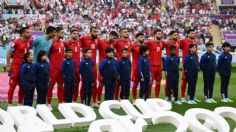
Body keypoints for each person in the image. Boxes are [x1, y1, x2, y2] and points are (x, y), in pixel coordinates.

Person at [6, 27, 32, 106]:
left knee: (22, 86)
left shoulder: (28, 42)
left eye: (29, 32)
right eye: (27, 32)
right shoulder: (16, 41)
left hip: (24, 67)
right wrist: (8, 65)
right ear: (22, 33)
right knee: (12, 86)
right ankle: (9, 104)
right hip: (15, 67)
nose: (29, 33)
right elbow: (9, 53)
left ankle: (19, 104)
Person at [80, 26, 100, 106]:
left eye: (97, 32)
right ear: (90, 32)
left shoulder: (97, 40)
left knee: (94, 83)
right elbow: (76, 45)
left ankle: (94, 101)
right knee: (84, 85)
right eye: (94, 32)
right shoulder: (84, 39)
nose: (96, 33)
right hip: (85, 66)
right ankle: (82, 101)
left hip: (93, 66)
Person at [97, 31, 119, 104]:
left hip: (110, 69)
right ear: (110, 35)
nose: (114, 40)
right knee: (101, 84)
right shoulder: (101, 42)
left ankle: (110, 101)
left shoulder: (112, 45)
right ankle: (98, 101)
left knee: (111, 86)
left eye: (116, 39)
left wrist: (115, 54)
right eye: (114, 38)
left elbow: (115, 55)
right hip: (103, 68)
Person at [47, 27, 65, 110]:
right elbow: (46, 53)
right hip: (53, 69)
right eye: (61, 33)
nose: (62, 34)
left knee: (61, 86)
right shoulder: (51, 42)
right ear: (56, 33)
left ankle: (61, 103)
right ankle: (49, 104)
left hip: (61, 69)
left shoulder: (62, 43)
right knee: (50, 86)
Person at [180, 29, 199, 103]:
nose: (193, 34)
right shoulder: (183, 41)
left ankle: (191, 96)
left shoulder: (194, 42)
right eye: (191, 33)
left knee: (193, 82)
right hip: (187, 64)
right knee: (184, 81)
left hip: (193, 64)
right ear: (187, 34)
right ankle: (182, 97)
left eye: (193, 33)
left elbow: (196, 52)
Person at [144, 29, 165, 98]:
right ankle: (148, 97)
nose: (160, 35)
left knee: (158, 82)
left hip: (159, 66)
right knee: (150, 83)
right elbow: (142, 46)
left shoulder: (162, 43)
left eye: (161, 33)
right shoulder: (149, 42)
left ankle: (156, 97)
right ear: (154, 35)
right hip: (151, 66)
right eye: (158, 34)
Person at [114, 28, 132, 100]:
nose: (126, 33)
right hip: (119, 66)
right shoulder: (117, 41)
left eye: (127, 32)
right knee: (118, 84)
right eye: (124, 32)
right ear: (121, 34)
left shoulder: (129, 42)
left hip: (127, 66)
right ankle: (115, 99)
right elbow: (111, 48)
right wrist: (117, 55)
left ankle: (125, 98)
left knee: (126, 84)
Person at [64, 28, 81, 102]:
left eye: (77, 33)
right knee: (67, 85)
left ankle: (74, 101)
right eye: (74, 33)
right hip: (69, 67)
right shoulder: (67, 42)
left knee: (76, 84)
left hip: (77, 68)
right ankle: (65, 101)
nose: (76, 35)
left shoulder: (79, 42)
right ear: (70, 34)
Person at [164, 30, 180, 97]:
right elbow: (162, 45)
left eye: (177, 35)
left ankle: (174, 97)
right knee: (168, 84)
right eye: (175, 35)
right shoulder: (168, 43)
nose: (176, 36)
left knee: (175, 83)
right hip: (169, 65)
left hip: (175, 64)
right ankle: (167, 97)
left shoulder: (177, 43)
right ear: (171, 36)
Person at [131, 32, 144, 101]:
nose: (142, 38)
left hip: (143, 67)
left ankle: (141, 98)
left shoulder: (144, 46)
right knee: (135, 84)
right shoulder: (134, 46)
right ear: (137, 38)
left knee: (143, 84)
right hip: (136, 67)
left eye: (143, 37)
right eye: (140, 37)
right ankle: (134, 99)